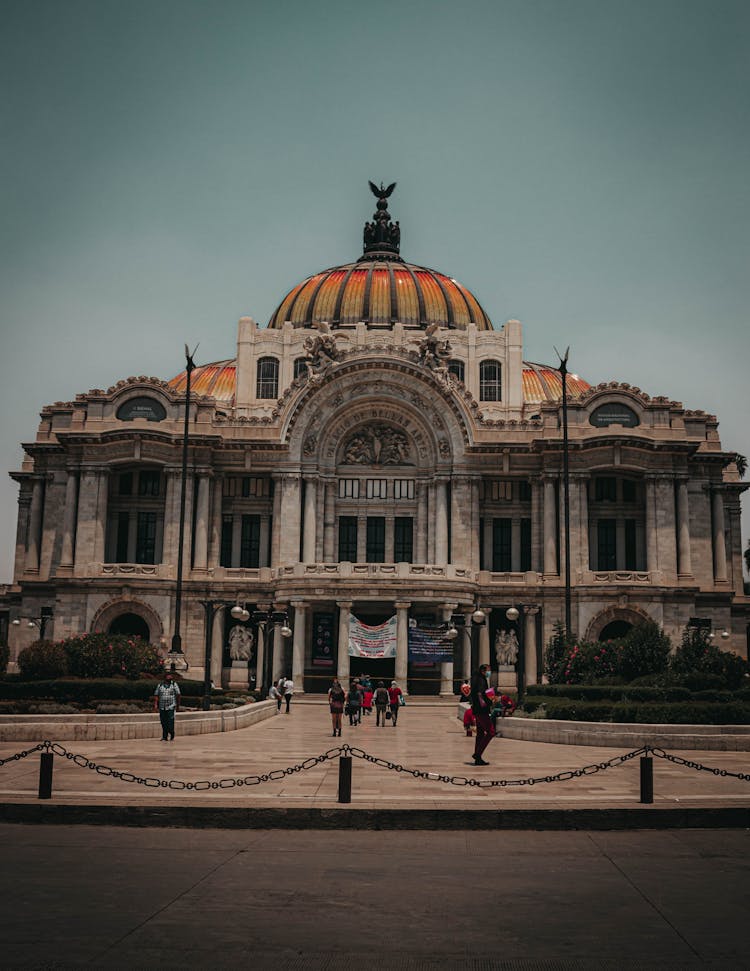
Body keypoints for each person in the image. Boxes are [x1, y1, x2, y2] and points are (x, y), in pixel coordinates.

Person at [470, 663, 494, 766]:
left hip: (476, 709)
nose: (489, 672)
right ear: (483, 671)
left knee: (480, 734)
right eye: (488, 670)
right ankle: (477, 754)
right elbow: (480, 694)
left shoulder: (476, 679)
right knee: (491, 732)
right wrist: (486, 703)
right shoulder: (481, 680)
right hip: (482, 710)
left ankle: (478, 759)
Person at [153, 671, 180, 741]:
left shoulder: (174, 684)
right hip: (162, 707)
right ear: (165, 677)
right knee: (163, 722)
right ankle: (164, 736)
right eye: (168, 676)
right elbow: (156, 695)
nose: (170, 677)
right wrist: (156, 705)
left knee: (170, 722)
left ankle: (171, 732)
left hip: (171, 706)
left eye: (171, 676)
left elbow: (178, 695)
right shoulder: (160, 685)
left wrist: (177, 705)